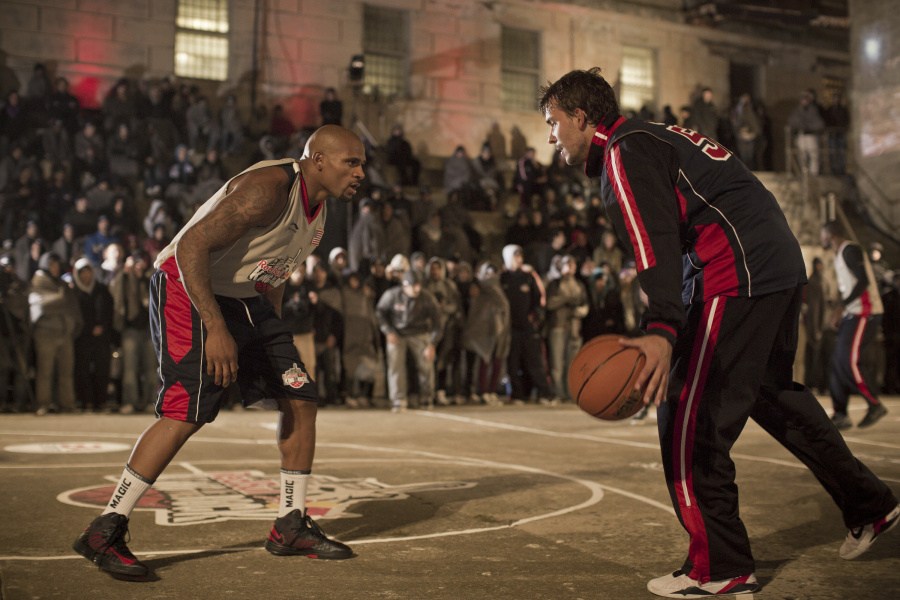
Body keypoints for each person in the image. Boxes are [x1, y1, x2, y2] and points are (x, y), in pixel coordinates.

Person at [539, 68, 899, 598]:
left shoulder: (623, 149)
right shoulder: (655, 135)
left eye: (553, 123)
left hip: (735, 271)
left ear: (579, 116)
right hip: (774, 265)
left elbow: (654, 238)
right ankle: (870, 503)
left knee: (689, 417)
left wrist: (663, 327)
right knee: (772, 395)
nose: (551, 136)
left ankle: (721, 567)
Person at [73, 125, 366, 577]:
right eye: (353, 162)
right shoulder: (268, 190)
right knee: (187, 410)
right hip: (186, 284)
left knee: (299, 396)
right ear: (319, 160)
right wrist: (215, 328)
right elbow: (190, 246)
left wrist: (269, 342)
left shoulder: (319, 211)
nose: (361, 172)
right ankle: (105, 529)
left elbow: (272, 275)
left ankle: (290, 524)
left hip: (244, 297)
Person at [820, 221, 887, 429]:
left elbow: (863, 280)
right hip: (853, 313)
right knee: (837, 362)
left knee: (848, 361)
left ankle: (874, 403)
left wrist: (842, 307)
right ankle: (840, 413)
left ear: (829, 235)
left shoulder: (850, 250)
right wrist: (842, 309)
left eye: (822, 235)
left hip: (865, 313)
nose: (821, 239)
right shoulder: (840, 254)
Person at [376, 269, 442, 412]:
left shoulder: (427, 298)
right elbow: (380, 312)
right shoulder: (392, 295)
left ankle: (426, 397)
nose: (416, 289)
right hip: (397, 333)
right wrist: (388, 331)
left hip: (420, 333)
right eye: (413, 286)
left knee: (426, 364)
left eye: (418, 285)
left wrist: (432, 344)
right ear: (404, 286)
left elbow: (437, 323)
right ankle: (398, 399)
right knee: (395, 365)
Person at [788, 89, 825, 176]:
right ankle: (804, 173)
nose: (804, 101)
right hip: (801, 135)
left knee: (814, 155)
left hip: (811, 135)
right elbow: (792, 122)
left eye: (806, 99)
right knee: (802, 155)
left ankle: (814, 173)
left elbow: (819, 123)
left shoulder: (814, 110)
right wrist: (802, 126)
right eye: (803, 99)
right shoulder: (797, 111)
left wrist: (808, 126)